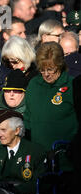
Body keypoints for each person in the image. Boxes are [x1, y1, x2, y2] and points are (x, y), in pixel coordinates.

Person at [24, 41, 77, 171]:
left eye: (50, 69)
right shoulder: (34, 84)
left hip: (66, 158)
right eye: (42, 69)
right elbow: (27, 119)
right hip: (39, 157)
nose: (46, 74)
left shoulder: (72, 85)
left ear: (60, 65)